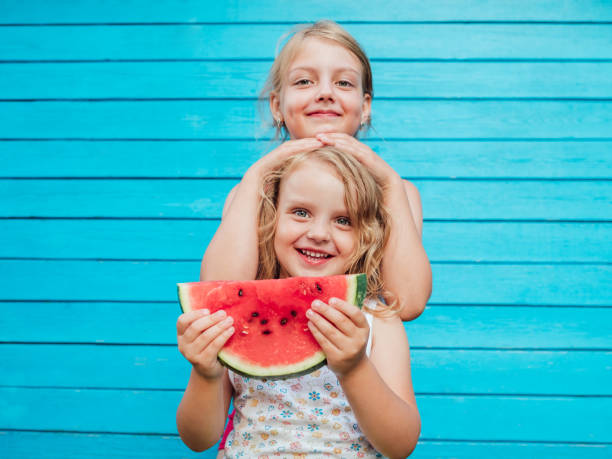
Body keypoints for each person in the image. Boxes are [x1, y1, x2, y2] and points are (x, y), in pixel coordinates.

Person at [177, 146, 421, 457]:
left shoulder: (376, 318)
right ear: (271, 218)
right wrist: (205, 373)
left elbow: (401, 444)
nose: (319, 233)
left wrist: (354, 368)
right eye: (301, 212)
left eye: (344, 220)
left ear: (366, 236)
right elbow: (198, 438)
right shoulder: (239, 317)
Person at [200, 20, 432, 322]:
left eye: (343, 83)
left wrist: (388, 183)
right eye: (304, 82)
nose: (325, 92)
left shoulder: (396, 191)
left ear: (365, 108)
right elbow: (220, 296)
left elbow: (409, 302)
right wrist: (256, 177)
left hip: (360, 362)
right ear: (277, 106)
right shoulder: (252, 190)